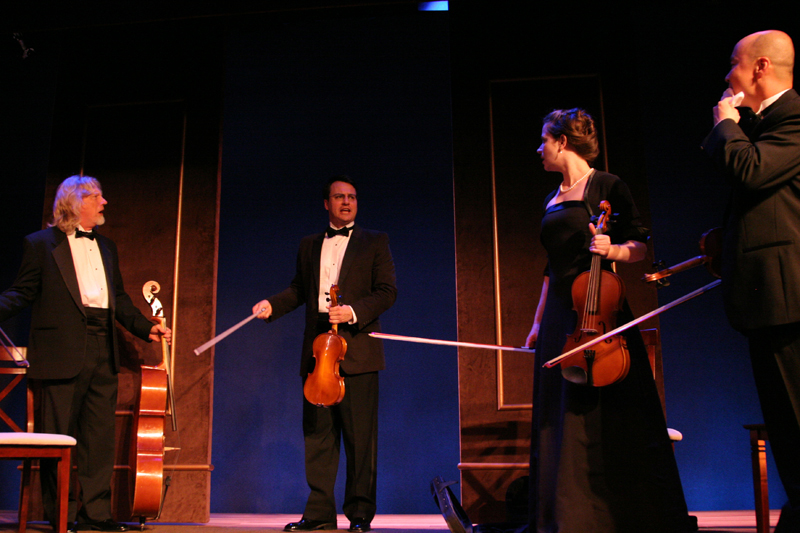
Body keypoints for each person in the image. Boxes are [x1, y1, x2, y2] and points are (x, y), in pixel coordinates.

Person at [524, 109, 693, 532]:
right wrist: (538, 322)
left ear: (563, 141)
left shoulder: (607, 185)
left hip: (599, 309)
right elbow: (551, 268)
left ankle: (610, 512)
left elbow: (639, 244)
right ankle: (565, 513)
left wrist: (613, 250)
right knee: (559, 412)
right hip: (561, 316)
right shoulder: (551, 198)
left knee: (609, 411)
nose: (539, 149)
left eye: (544, 140)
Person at [0, 175, 170, 532]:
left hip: (102, 347)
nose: (104, 202)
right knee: (58, 437)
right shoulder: (41, 244)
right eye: (97, 197)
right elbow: (21, 292)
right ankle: (63, 515)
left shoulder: (106, 246)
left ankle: (96, 516)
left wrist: (145, 327)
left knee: (98, 438)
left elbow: (118, 298)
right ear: (76, 202)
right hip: (61, 351)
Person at [252, 175, 397, 533]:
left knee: (360, 439)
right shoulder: (309, 244)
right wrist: (272, 304)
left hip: (357, 346)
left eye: (352, 197)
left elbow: (386, 291)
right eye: (339, 197)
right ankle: (318, 514)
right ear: (326, 203)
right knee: (318, 436)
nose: (346, 202)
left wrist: (353, 312)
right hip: (319, 349)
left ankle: (359, 515)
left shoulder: (375, 241)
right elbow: (299, 289)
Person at [702, 30, 800, 533]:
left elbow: (752, 171)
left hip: (789, 301)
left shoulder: (795, 118)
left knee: (797, 425)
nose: (727, 76)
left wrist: (725, 122)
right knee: (787, 429)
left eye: (734, 64)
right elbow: (768, 202)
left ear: (760, 67)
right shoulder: (765, 124)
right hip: (768, 301)